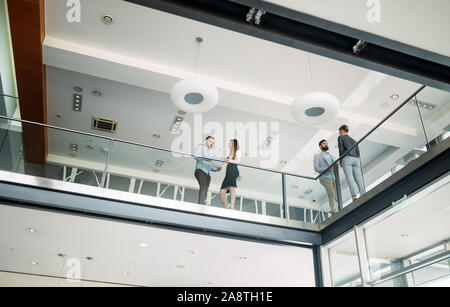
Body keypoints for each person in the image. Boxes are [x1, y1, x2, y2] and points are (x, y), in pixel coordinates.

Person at [338, 125, 365, 201]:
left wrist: (340, 161)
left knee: (350, 178)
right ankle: (363, 194)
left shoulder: (341, 138)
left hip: (347, 159)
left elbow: (341, 149)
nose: (339, 133)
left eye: (340, 132)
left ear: (342, 131)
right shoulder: (354, 141)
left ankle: (354, 196)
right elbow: (358, 153)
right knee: (359, 178)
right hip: (356, 160)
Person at [194, 136, 222, 205]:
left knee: (206, 188)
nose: (211, 144)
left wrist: (216, 169)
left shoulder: (211, 153)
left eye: (213, 143)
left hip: (208, 173)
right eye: (210, 141)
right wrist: (204, 158)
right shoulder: (201, 147)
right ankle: (200, 204)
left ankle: (202, 203)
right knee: (203, 186)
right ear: (206, 141)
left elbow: (210, 165)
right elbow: (195, 156)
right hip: (200, 170)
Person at [314, 140, 338, 214]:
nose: (326, 144)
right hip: (325, 178)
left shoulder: (332, 156)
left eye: (327, 143)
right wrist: (327, 169)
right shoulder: (318, 156)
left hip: (333, 177)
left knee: (337, 195)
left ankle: (337, 210)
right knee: (332, 194)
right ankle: (334, 211)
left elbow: (336, 166)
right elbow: (316, 168)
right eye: (324, 144)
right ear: (320, 146)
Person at [219, 139, 241, 210]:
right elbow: (227, 160)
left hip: (233, 170)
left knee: (231, 187)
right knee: (222, 191)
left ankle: (232, 206)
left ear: (234, 144)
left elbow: (238, 161)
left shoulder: (238, 151)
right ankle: (226, 207)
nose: (229, 144)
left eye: (230, 143)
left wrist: (228, 160)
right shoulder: (230, 152)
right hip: (228, 171)